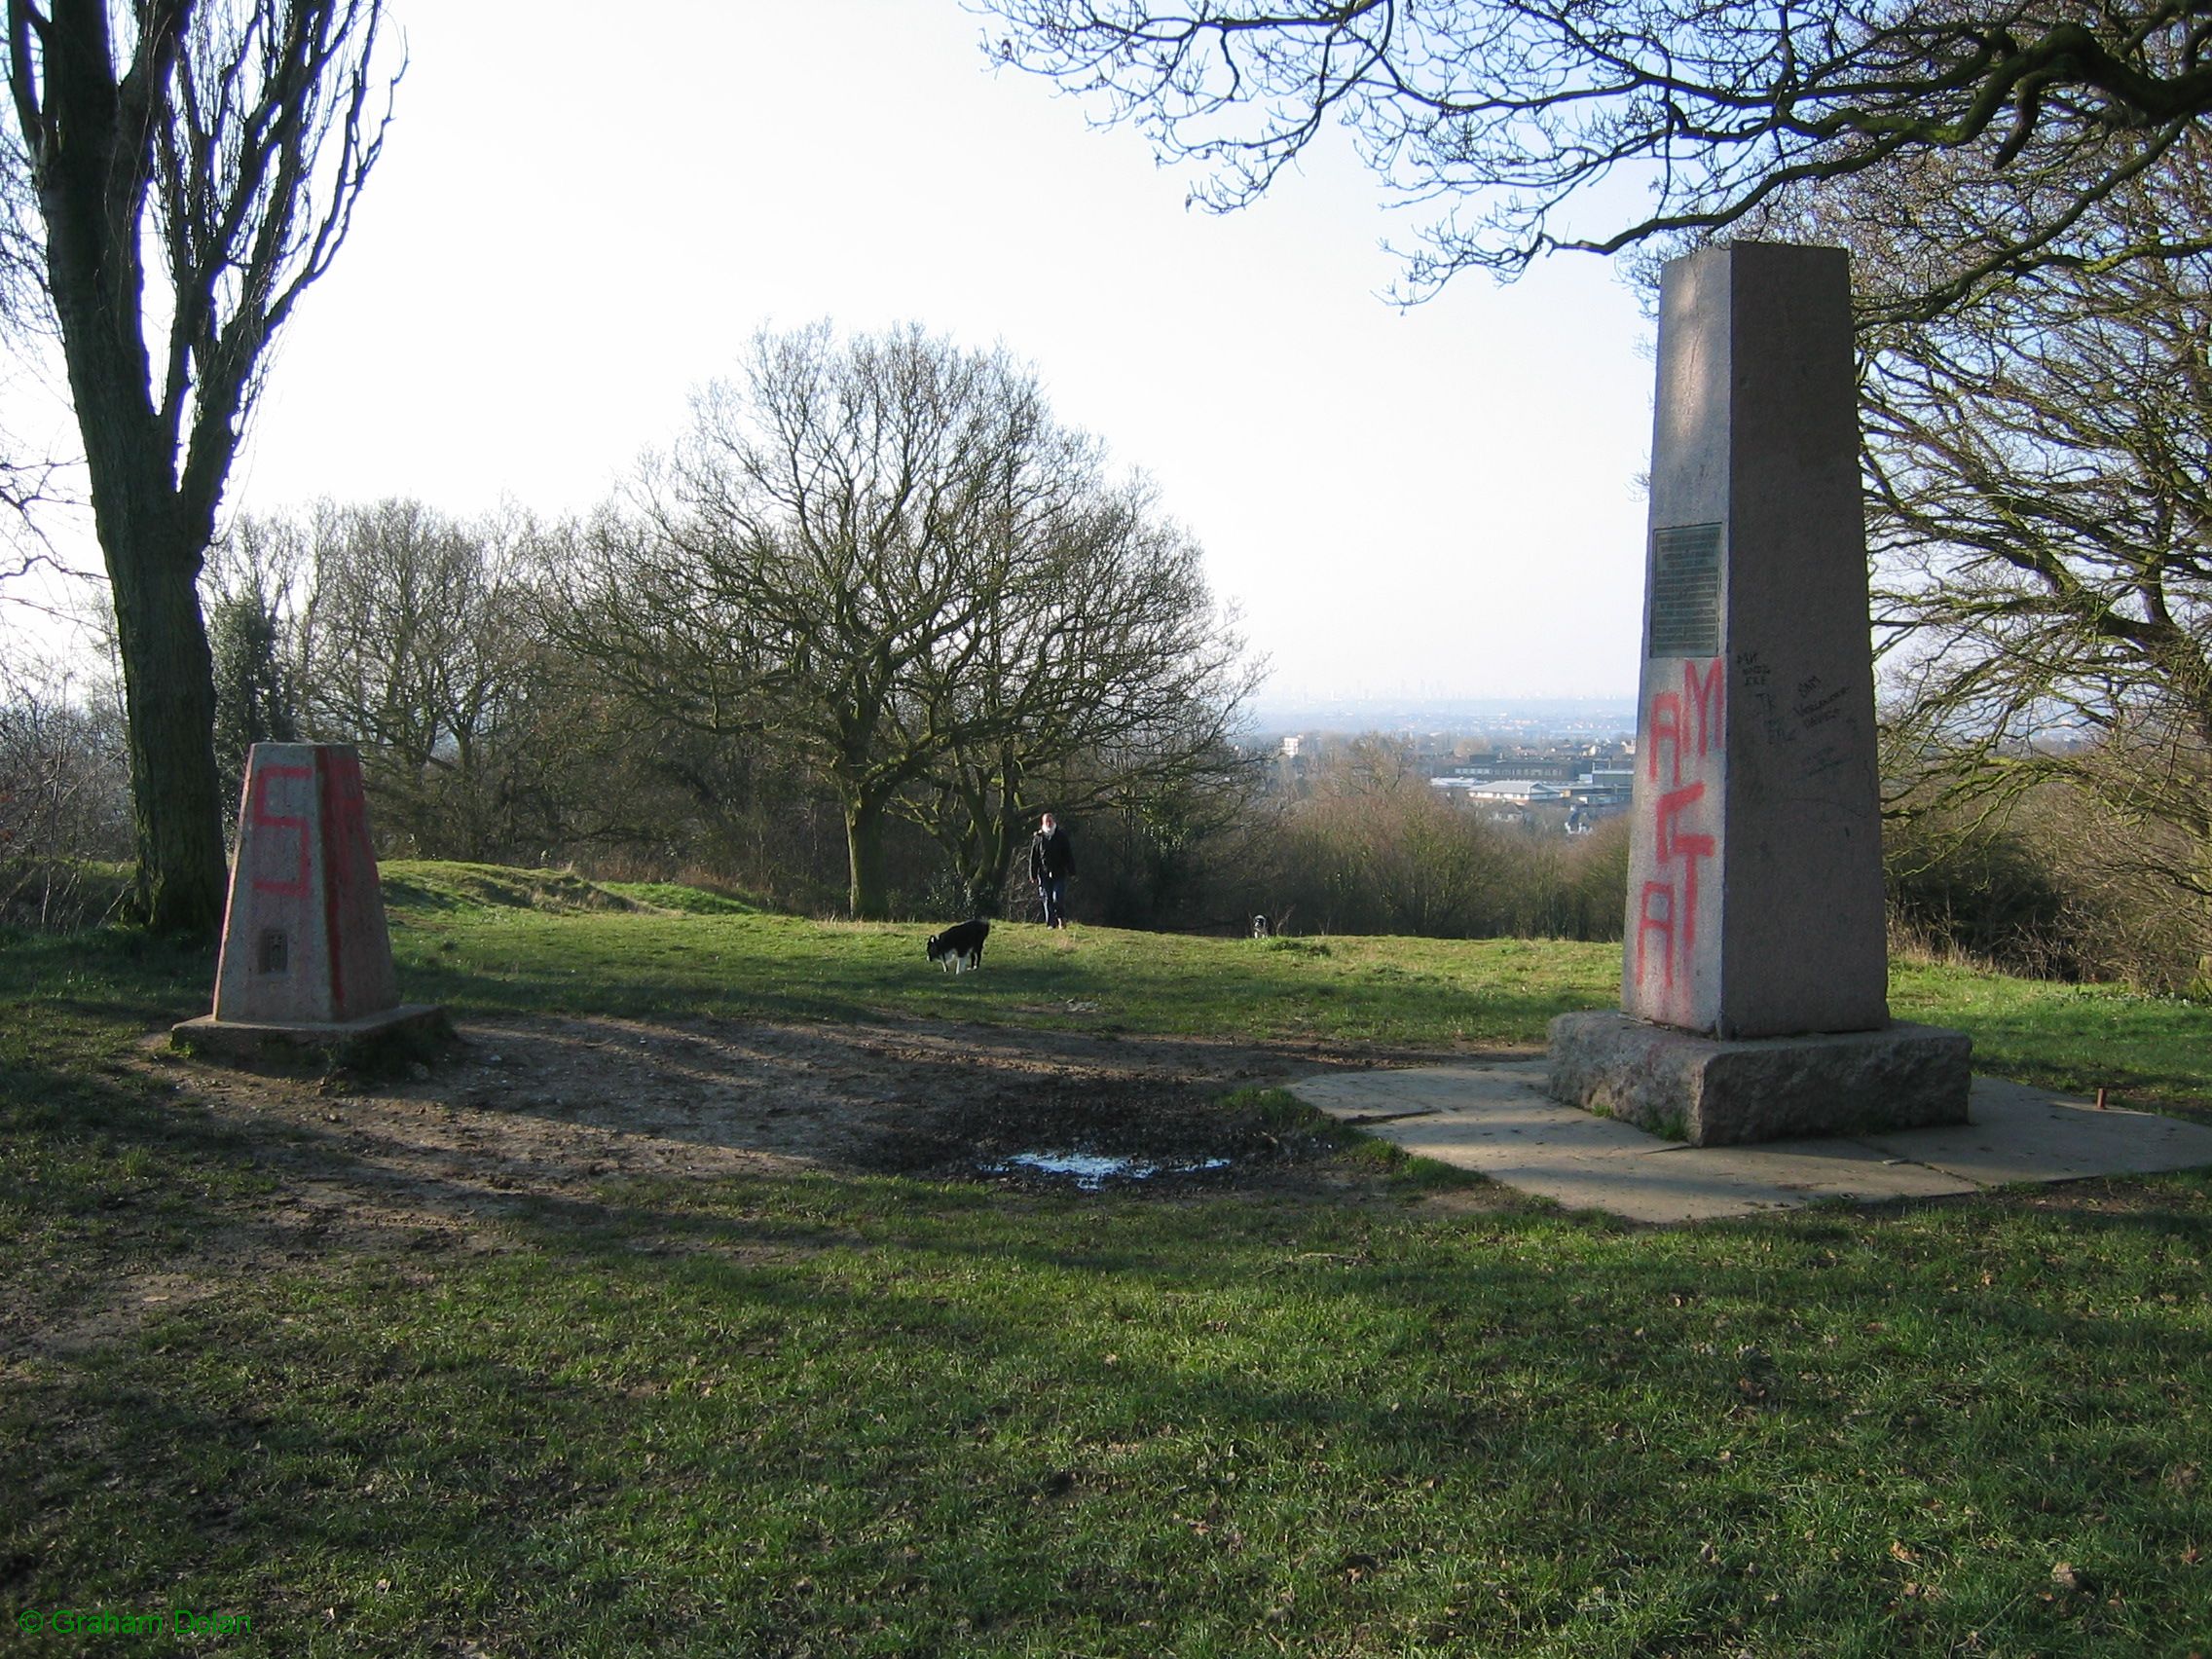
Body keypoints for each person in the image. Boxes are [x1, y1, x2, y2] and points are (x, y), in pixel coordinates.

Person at [1028, 811, 1074, 928]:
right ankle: (1050, 923)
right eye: (1046, 821)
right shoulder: (1038, 838)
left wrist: (1072, 871)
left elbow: (1068, 854)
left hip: (1059, 873)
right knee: (1046, 898)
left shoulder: (1061, 836)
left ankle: (1060, 918)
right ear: (1043, 823)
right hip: (1043, 873)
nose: (1048, 823)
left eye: (1050, 821)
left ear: (1053, 822)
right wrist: (1032, 874)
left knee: (1057, 897)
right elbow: (1034, 857)